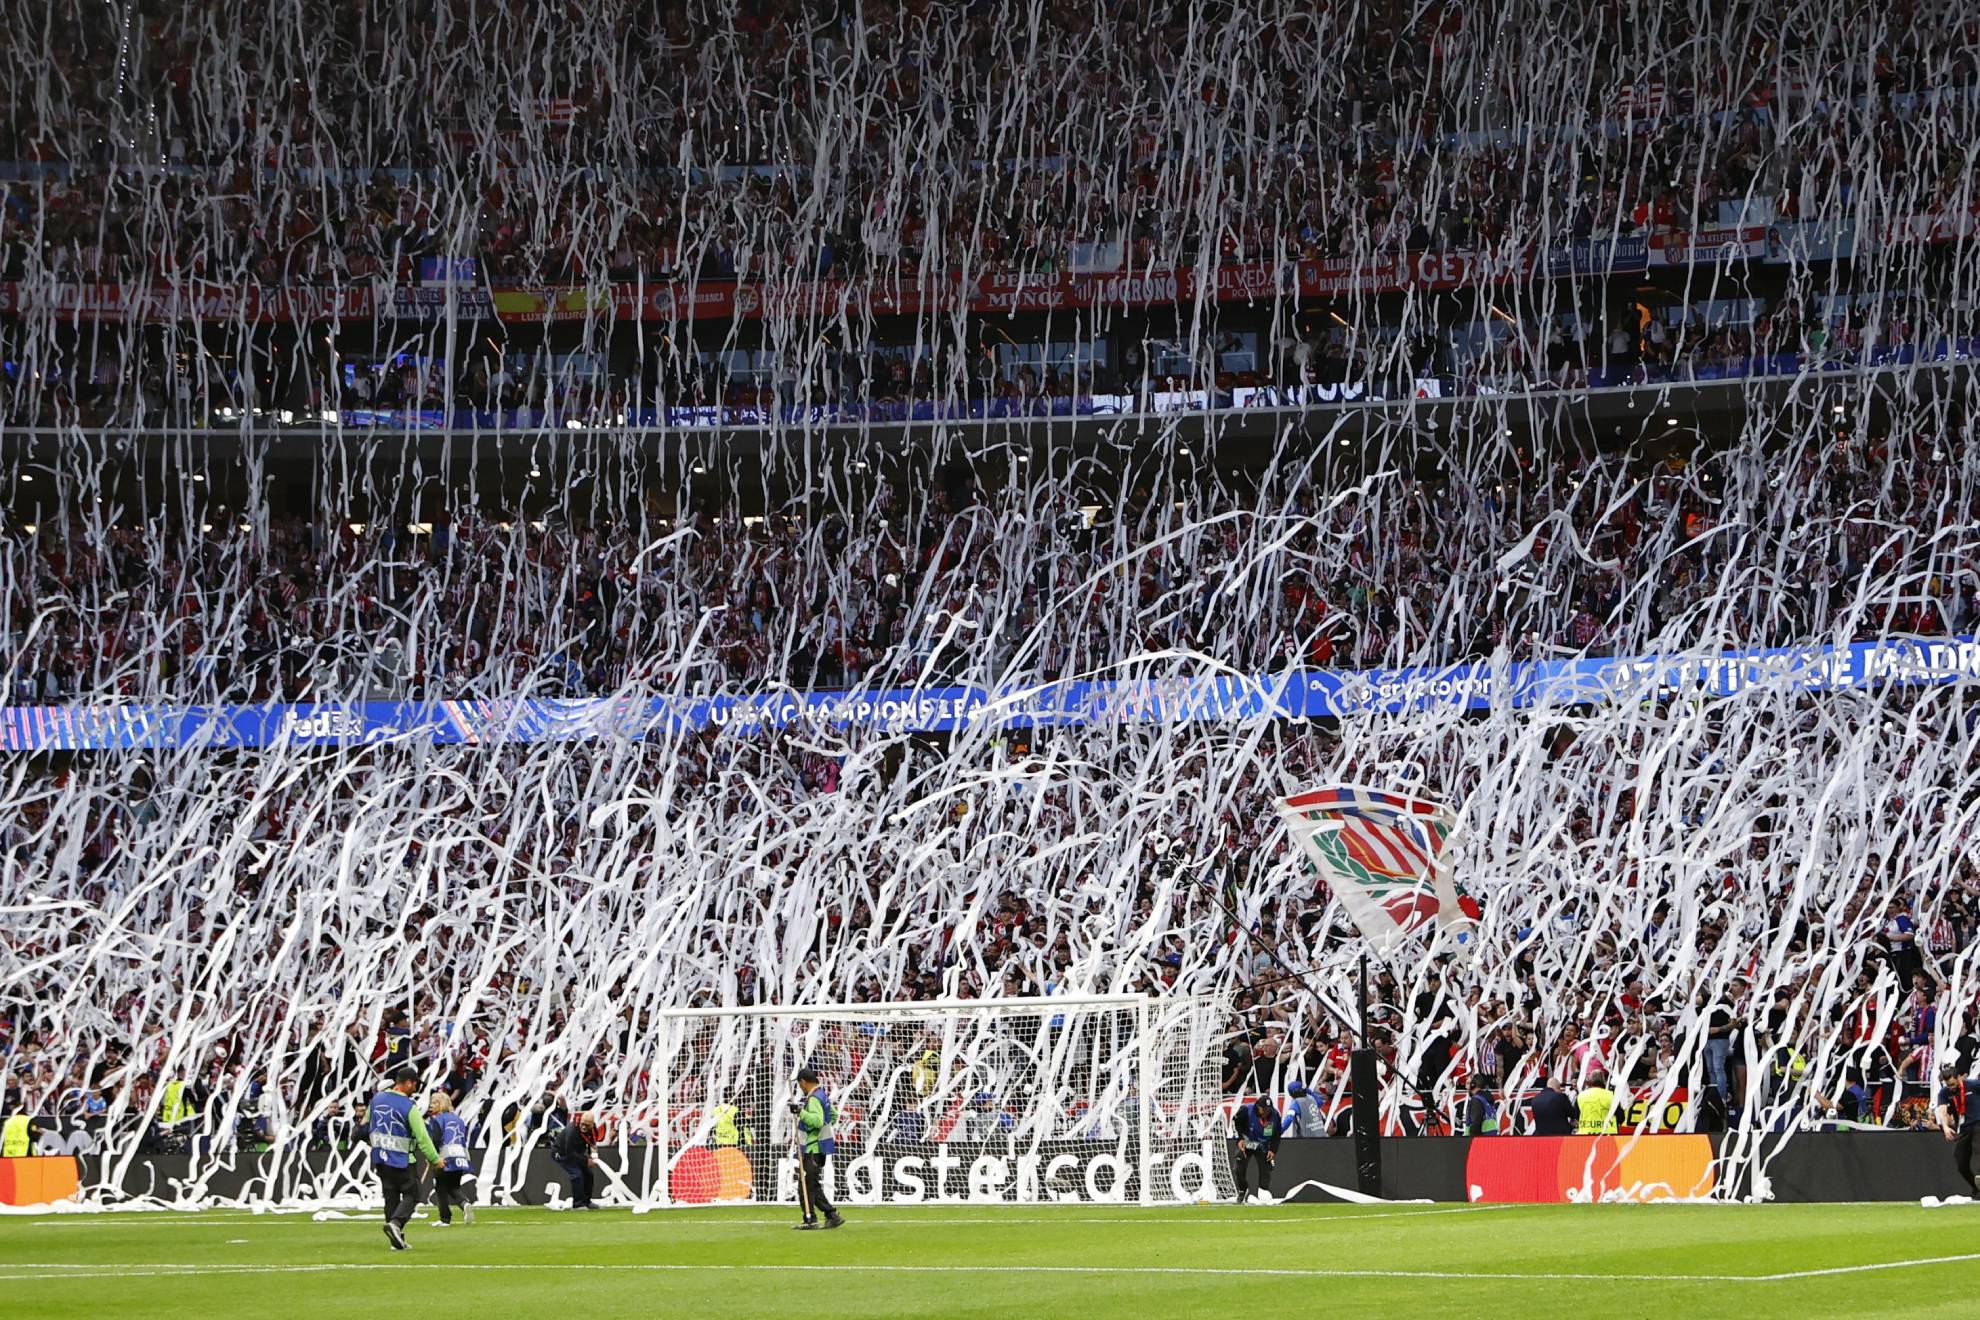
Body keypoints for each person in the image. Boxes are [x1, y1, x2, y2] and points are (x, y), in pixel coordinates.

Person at [367, 1066, 441, 1251]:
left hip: (380, 1158)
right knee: (413, 1193)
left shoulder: (376, 1100)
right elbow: (422, 1137)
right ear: (407, 1083)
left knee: (390, 1197)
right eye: (415, 1084)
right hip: (402, 1159)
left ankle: (396, 1239)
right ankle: (396, 1224)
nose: (415, 1089)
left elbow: (366, 1123)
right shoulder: (409, 1106)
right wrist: (434, 1158)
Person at [793, 1066, 844, 1230]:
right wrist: (824, 1132)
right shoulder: (823, 1096)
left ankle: (810, 1219)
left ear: (803, 1082)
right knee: (812, 1185)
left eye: (800, 1084)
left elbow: (817, 1121)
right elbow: (833, 1116)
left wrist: (801, 1112)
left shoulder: (813, 1098)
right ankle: (832, 1215)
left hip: (812, 1149)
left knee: (805, 1187)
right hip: (820, 1148)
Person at [426, 1091, 474, 1226]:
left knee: (441, 1188)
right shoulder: (458, 1119)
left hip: (444, 1156)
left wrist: (432, 1157)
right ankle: (464, 1203)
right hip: (460, 1155)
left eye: (434, 1103)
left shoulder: (437, 1120)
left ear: (441, 1104)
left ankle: (445, 1218)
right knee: (453, 1187)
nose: (431, 1106)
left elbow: (435, 1139)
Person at [1934, 1063, 1980, 1195]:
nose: (1951, 1088)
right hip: (1963, 1129)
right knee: (1961, 1162)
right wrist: (1946, 1127)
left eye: (1953, 1084)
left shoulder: (1973, 1085)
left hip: (1978, 1124)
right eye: (1948, 1085)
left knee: (1979, 1152)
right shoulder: (1944, 1092)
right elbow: (1942, 1110)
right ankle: (1976, 1188)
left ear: (1959, 1078)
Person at [1230, 1090, 1283, 1203]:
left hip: (1262, 1145)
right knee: (1239, 1167)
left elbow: (1277, 1134)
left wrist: (1273, 1150)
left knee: (1266, 1169)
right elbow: (1235, 1123)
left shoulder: (1275, 1116)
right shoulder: (1246, 1110)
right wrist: (1239, 1139)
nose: (1266, 1112)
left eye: (1268, 1110)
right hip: (1247, 1142)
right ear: (1258, 1107)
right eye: (1264, 1109)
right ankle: (1243, 1189)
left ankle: (1263, 1193)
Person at [550, 1114, 601, 1210]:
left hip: (577, 1153)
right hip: (562, 1153)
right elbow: (569, 1153)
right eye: (583, 1124)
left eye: (587, 1125)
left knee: (589, 1174)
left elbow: (592, 1143)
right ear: (580, 1121)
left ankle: (586, 1201)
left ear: (592, 1124)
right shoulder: (572, 1130)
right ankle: (578, 1204)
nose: (584, 1127)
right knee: (577, 1175)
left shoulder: (593, 1129)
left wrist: (593, 1155)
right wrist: (587, 1160)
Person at [1575, 1069, 1620, 1135]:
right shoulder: (1612, 1095)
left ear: (1589, 1081)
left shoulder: (1581, 1095)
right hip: (1608, 1135)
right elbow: (1621, 1116)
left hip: (1585, 1134)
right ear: (1604, 1081)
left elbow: (1576, 1116)